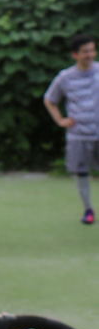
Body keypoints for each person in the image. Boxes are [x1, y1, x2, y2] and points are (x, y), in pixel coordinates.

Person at [44, 32, 99, 225]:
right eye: (85, 51)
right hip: (78, 136)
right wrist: (60, 120)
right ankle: (88, 210)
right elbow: (49, 100)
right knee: (81, 173)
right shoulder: (65, 77)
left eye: (92, 50)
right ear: (75, 54)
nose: (90, 55)